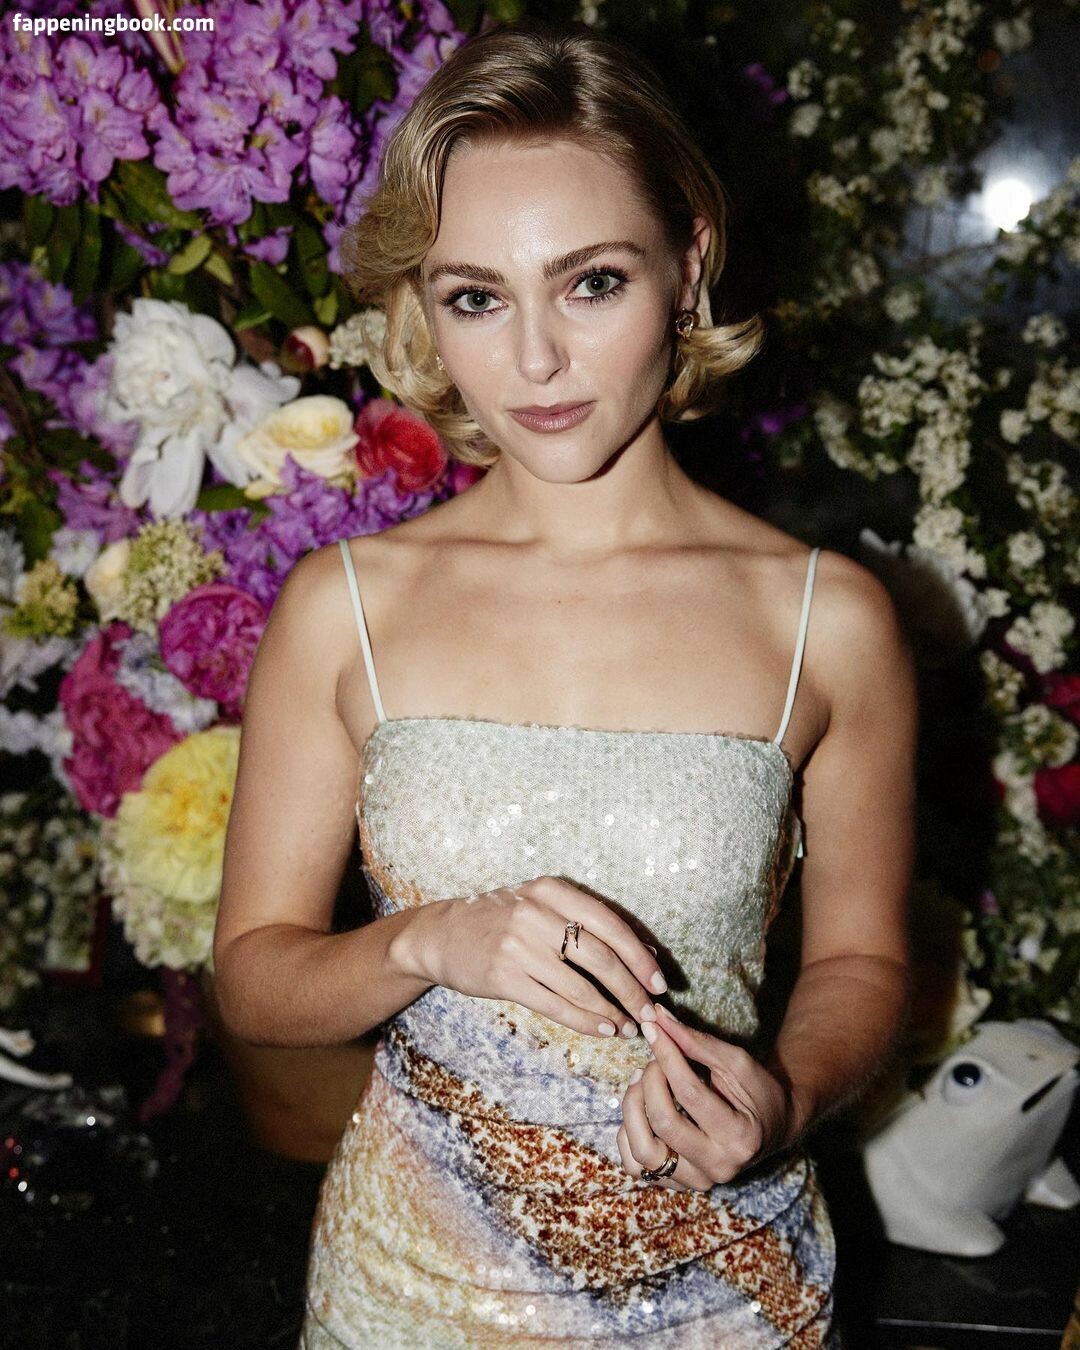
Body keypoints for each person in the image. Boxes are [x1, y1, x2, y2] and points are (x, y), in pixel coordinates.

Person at [212, 17, 917, 1348]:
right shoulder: (346, 608)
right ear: (427, 309)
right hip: (409, 1296)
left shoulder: (827, 623)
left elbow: (863, 958)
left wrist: (785, 1092)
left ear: (687, 265)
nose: (534, 360)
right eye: (477, 297)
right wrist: (423, 942)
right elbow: (254, 977)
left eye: (591, 283)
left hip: (728, 1298)